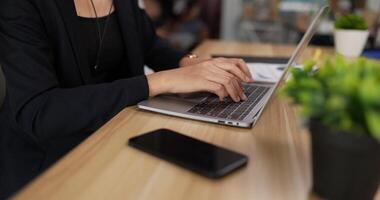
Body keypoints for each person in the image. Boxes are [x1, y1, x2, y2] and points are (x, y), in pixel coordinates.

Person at [0, 0, 253, 198]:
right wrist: (157, 82)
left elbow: (151, 46)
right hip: (51, 165)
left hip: (118, 137)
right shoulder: (21, 4)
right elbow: (39, 112)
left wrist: (194, 65)